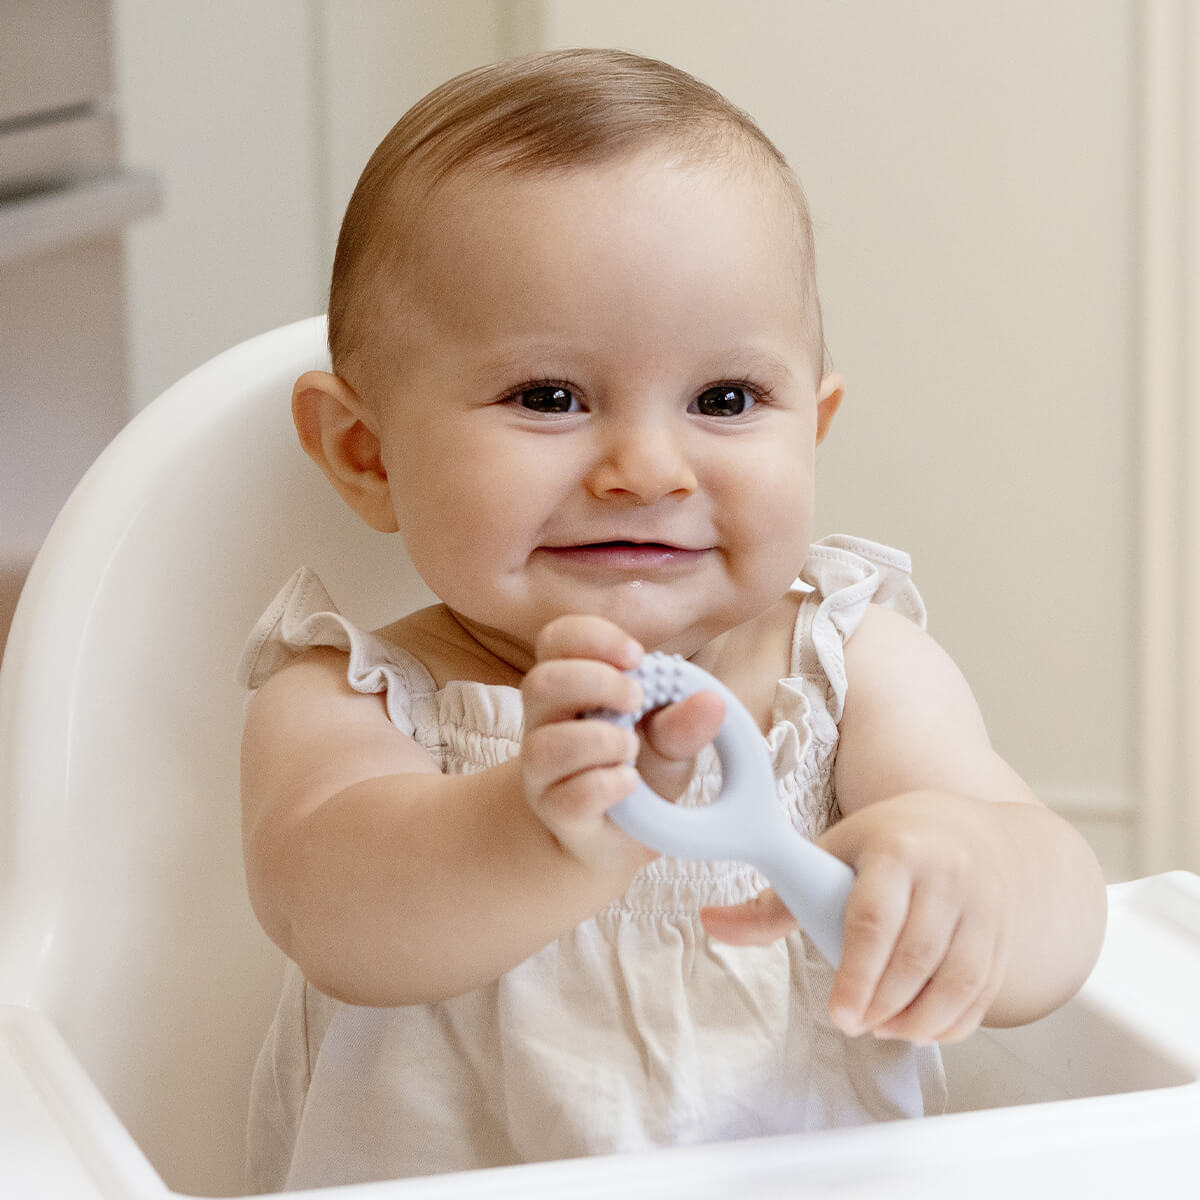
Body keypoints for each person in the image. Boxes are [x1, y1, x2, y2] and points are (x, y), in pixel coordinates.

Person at [237, 47, 1106, 1191]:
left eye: (725, 399)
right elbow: (334, 920)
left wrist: (972, 874)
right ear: (367, 453)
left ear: (812, 428)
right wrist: (532, 832)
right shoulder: (356, 700)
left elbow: (1062, 915)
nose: (648, 468)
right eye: (549, 397)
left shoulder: (849, 670)